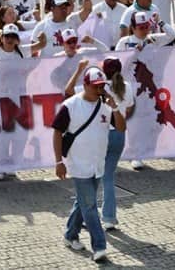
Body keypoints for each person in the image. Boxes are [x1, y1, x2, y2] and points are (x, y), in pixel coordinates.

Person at [52, 66, 120, 262]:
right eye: (96, 87)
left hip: (97, 163)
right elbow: (57, 132)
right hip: (78, 163)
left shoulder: (106, 107)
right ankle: (99, 246)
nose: (99, 90)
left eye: (102, 87)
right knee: (90, 205)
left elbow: (121, 127)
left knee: (83, 203)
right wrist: (59, 161)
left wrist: (115, 106)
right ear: (86, 85)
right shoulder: (70, 105)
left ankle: (69, 235)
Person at [64, 58, 131, 229]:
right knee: (108, 177)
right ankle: (109, 217)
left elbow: (68, 90)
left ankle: (88, 216)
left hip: (99, 136)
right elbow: (129, 109)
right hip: (118, 135)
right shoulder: (127, 86)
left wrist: (79, 70)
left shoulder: (97, 87)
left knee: (90, 177)